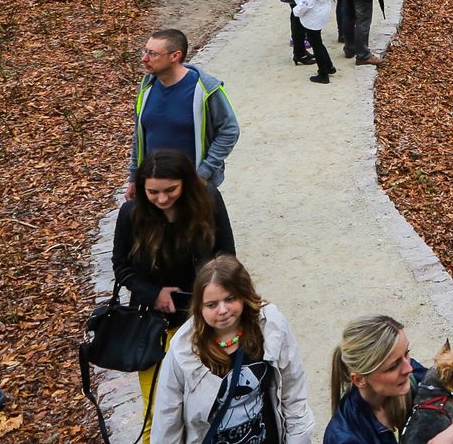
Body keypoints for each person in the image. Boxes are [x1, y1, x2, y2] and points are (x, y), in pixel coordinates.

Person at [114, 149, 237, 436]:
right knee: (156, 412)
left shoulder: (208, 201)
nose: (162, 199)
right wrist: (153, 293)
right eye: (153, 192)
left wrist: (216, 298)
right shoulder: (131, 215)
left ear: (186, 183)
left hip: (203, 322)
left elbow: (227, 256)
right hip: (154, 326)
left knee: (207, 406)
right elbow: (122, 267)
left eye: (170, 190)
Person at [149, 256, 312, 444]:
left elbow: (293, 394)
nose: (222, 310)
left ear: (244, 295)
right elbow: (167, 419)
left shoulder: (271, 326)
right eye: (212, 305)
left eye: (230, 299)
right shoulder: (183, 349)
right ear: (199, 307)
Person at [133, 29, 240, 189]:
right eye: (145, 51)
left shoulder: (206, 89)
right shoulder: (146, 87)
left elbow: (229, 131)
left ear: (175, 56)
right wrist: (134, 178)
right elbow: (139, 135)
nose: (144, 58)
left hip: (193, 188)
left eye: (153, 54)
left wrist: (204, 172)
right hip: (154, 187)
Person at [325, 314, 422, 444]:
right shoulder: (345, 438)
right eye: (393, 366)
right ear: (359, 380)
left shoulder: (414, 376)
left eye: (406, 353)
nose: (408, 368)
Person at [292, 0, 338, 83]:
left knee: (315, 44)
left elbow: (307, 2)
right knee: (317, 41)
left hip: (312, 16)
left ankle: (323, 74)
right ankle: (328, 66)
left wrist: (297, 11)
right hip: (319, 14)